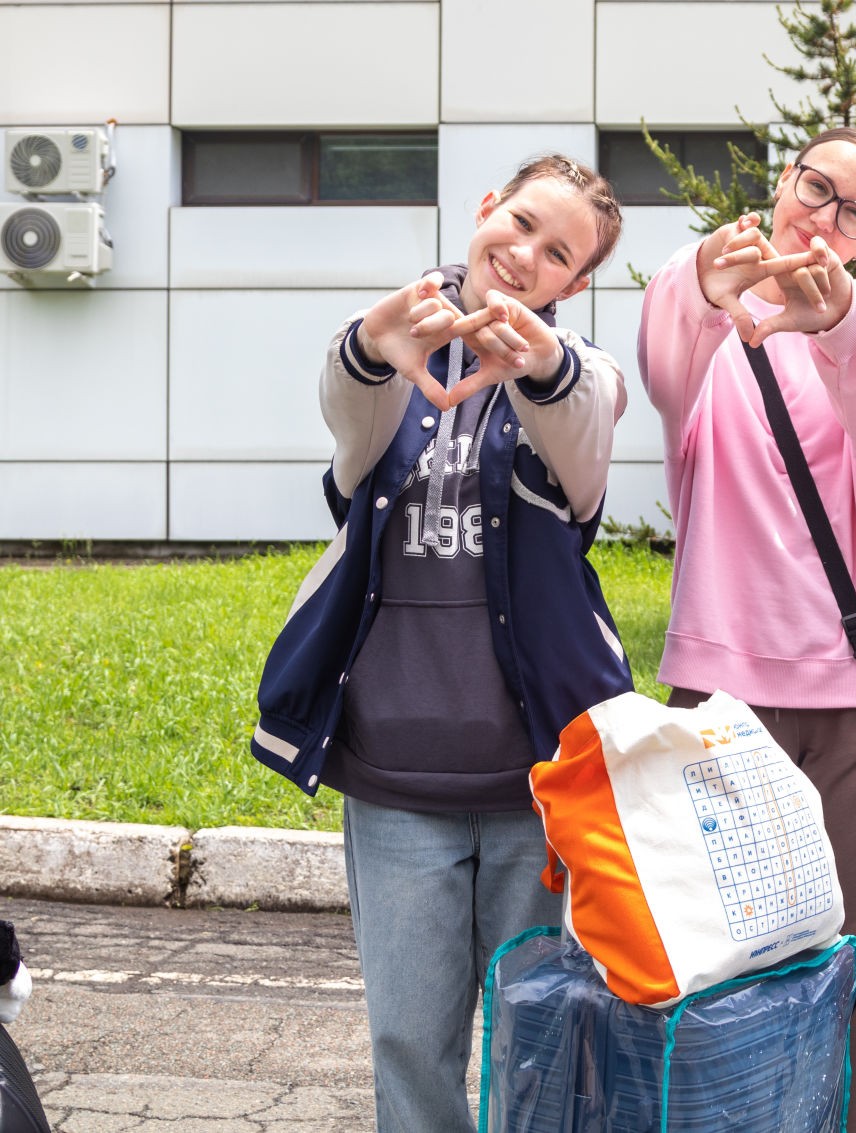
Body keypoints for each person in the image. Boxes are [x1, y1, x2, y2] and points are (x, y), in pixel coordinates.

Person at [251, 154, 634, 1133]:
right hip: (394, 775)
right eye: (520, 222)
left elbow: (587, 412)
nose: (527, 254)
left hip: (538, 784)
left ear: (577, 281)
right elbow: (349, 408)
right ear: (484, 208)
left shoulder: (578, 379)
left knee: (538, 1046)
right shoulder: (395, 347)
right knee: (410, 1044)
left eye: (559, 253)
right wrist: (369, 342)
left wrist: (542, 360)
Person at [637, 126, 856, 1133]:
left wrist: (837, 312)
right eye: (815, 187)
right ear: (782, 182)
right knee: (716, 972)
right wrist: (706, 280)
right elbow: (664, 342)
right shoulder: (703, 316)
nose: (824, 216)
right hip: (720, 697)